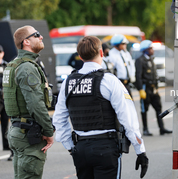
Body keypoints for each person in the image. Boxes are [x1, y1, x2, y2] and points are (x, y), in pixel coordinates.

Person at [53, 36, 149, 179]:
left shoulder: (69, 82)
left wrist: (71, 148)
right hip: (105, 147)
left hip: (81, 149)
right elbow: (127, 117)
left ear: (80, 56)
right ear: (101, 53)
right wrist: (140, 150)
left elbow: (59, 119)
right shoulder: (109, 80)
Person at [3, 25, 54, 178]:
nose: (41, 37)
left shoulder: (14, 65)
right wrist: (48, 131)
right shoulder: (27, 68)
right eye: (36, 35)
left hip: (18, 129)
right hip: (28, 133)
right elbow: (35, 104)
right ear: (26, 41)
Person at [135, 40, 172, 136]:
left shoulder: (151, 59)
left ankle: (162, 128)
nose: (152, 50)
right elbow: (138, 76)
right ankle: (145, 129)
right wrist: (140, 89)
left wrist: (156, 86)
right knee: (144, 109)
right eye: (150, 48)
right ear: (145, 50)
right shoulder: (140, 60)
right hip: (145, 88)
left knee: (158, 108)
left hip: (153, 89)